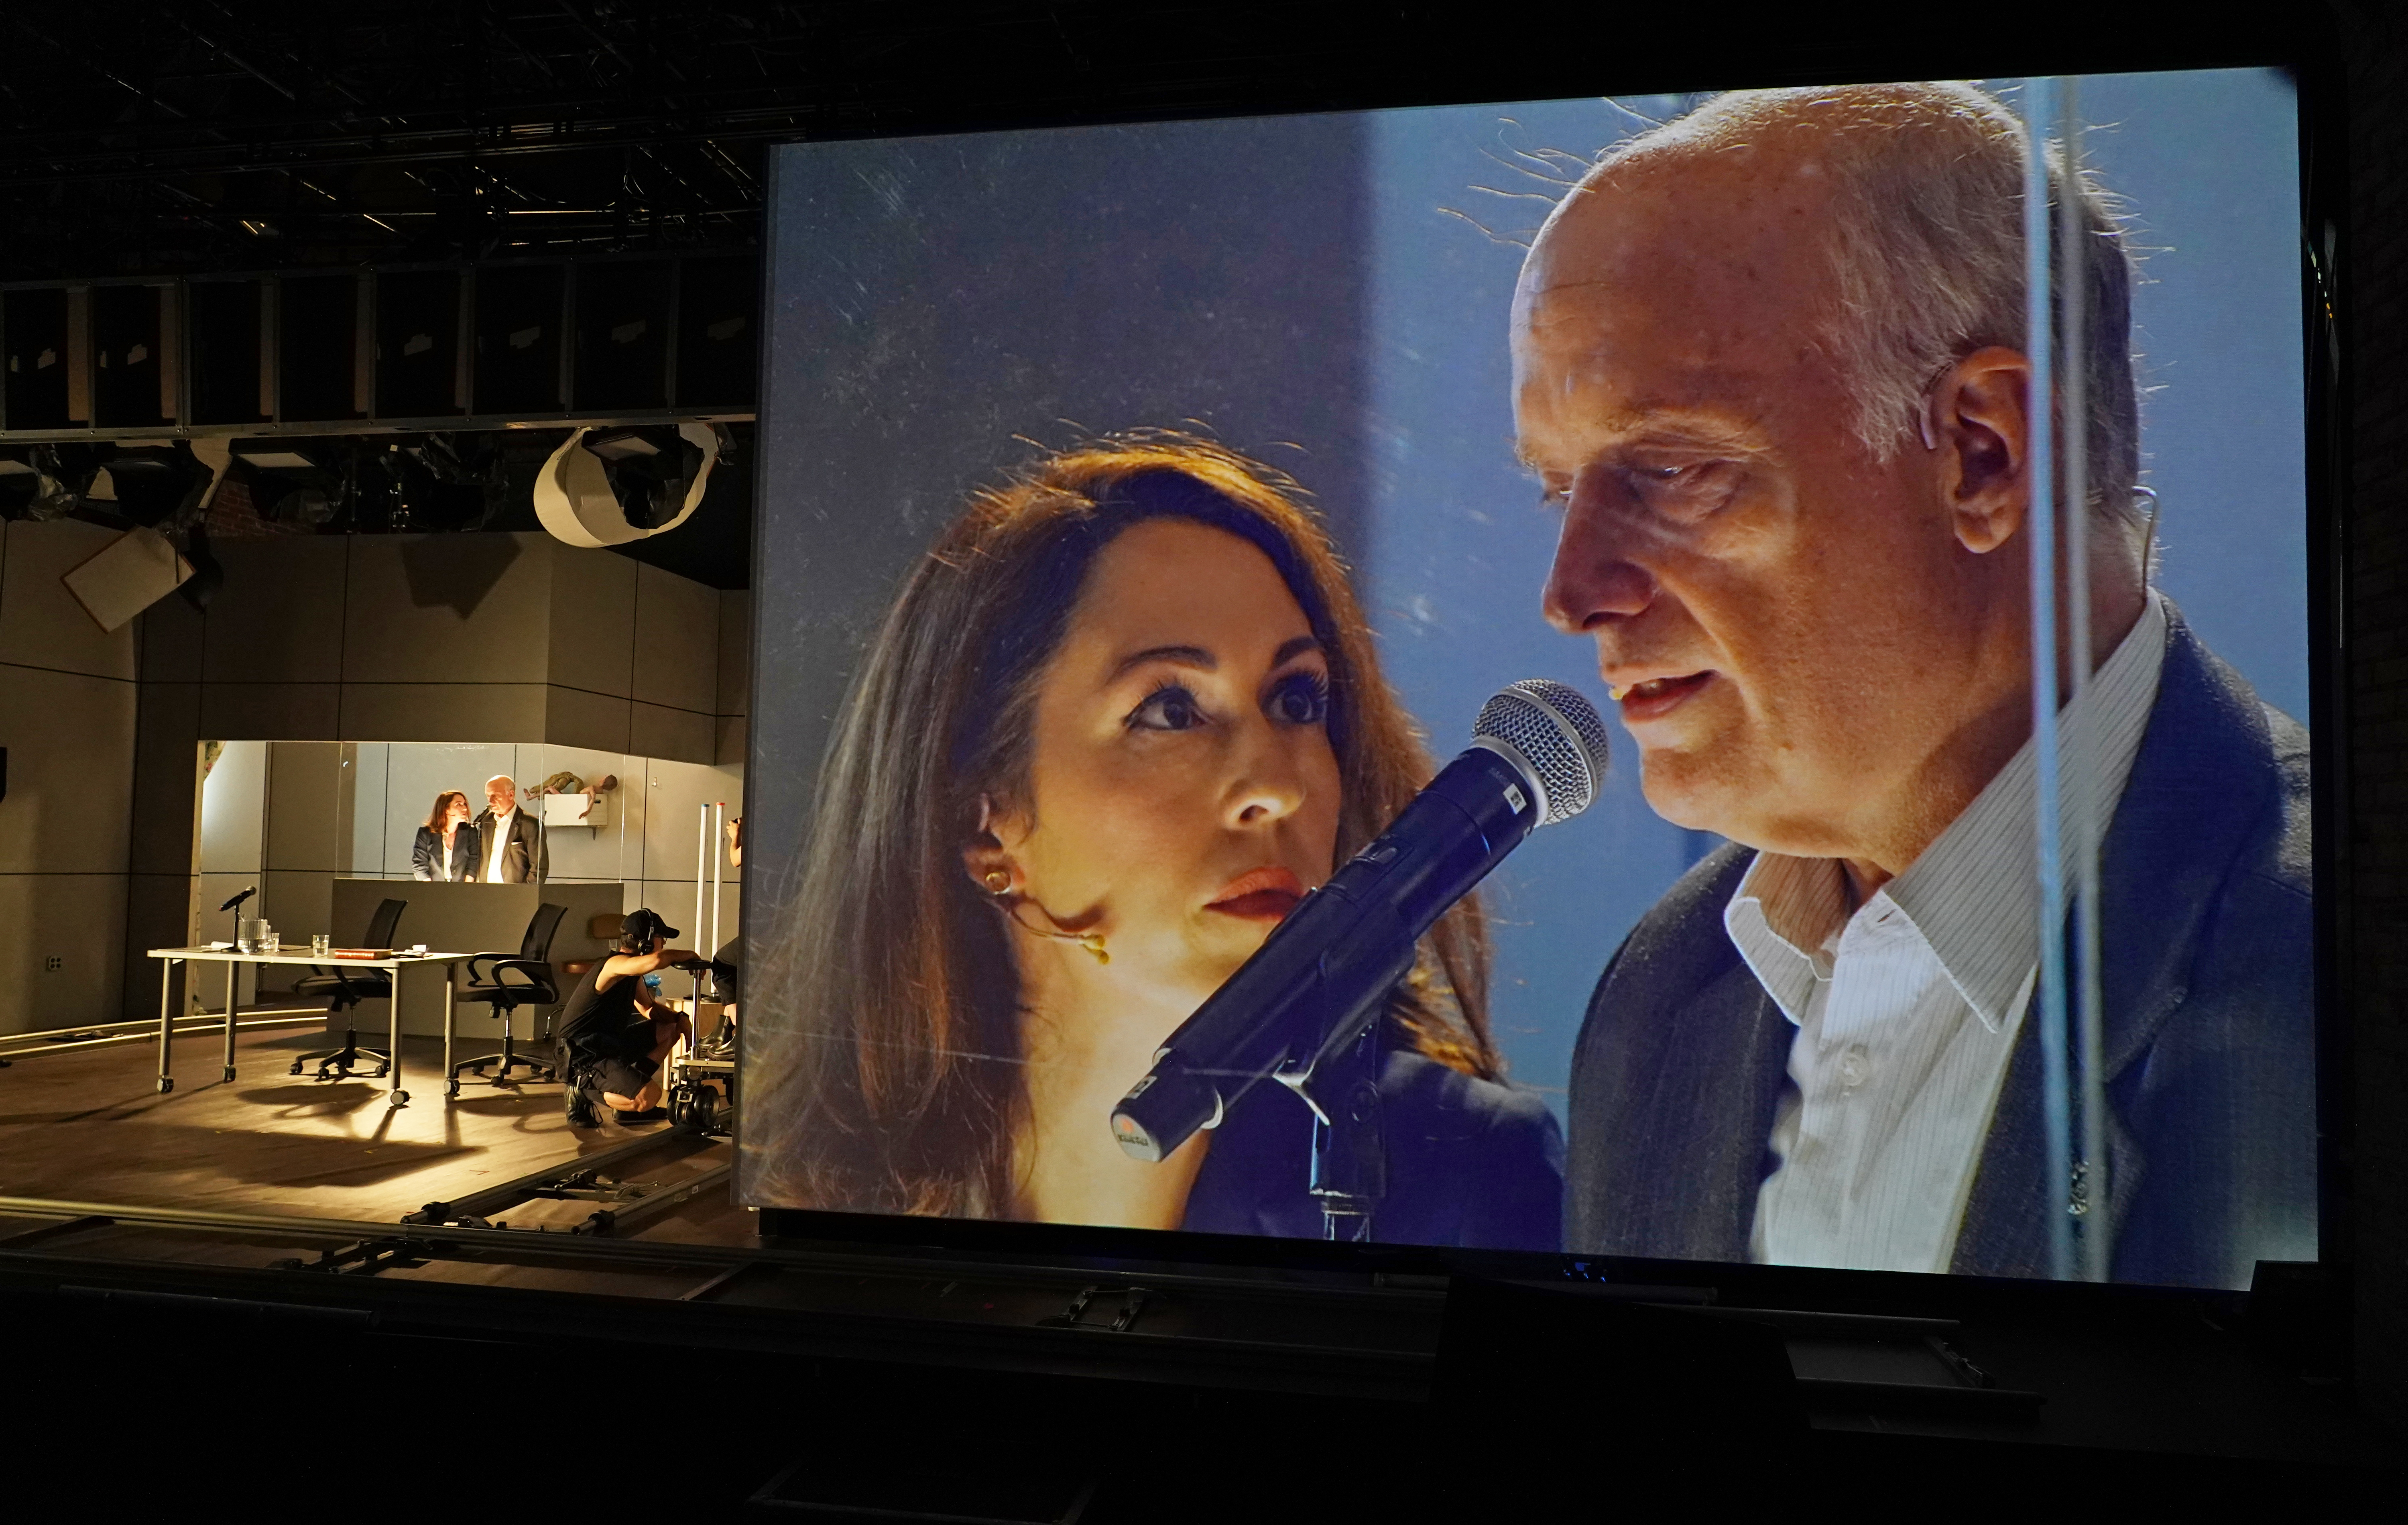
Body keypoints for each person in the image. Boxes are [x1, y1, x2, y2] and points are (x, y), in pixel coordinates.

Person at [1516, 83, 2312, 1287]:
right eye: (1553, 491)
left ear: (1982, 452)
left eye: (1668, 469)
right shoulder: (1662, 994)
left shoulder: (2323, 975)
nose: (1570, 594)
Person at [748, 435, 1562, 1249]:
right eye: (1171, 710)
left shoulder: (1469, 1176)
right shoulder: (827, 1195)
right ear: (984, 820)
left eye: (1296, 700)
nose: (1277, 786)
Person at [559, 908, 699, 1127]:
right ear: (649, 942)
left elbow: (648, 1009)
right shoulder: (613, 965)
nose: (664, 943)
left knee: (669, 1028)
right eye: (662, 938)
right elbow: (656, 961)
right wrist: (689, 955)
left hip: (609, 1043)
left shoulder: (630, 973)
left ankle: (629, 1094)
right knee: (649, 1097)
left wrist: (679, 1018)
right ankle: (583, 1091)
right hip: (583, 1055)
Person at [471, 773, 546, 884]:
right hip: (486, 892)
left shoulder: (529, 824)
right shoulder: (486, 823)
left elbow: (539, 867)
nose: (491, 801)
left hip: (516, 895)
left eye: (496, 795)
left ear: (511, 795)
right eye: (488, 796)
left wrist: (526, 893)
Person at [411, 790, 477, 882]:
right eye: (459, 805)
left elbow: (474, 862)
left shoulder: (470, 832)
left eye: (465, 804)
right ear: (446, 809)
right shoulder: (425, 833)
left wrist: (466, 889)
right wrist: (430, 890)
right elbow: (420, 865)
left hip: (463, 889)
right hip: (433, 888)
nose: (465, 808)